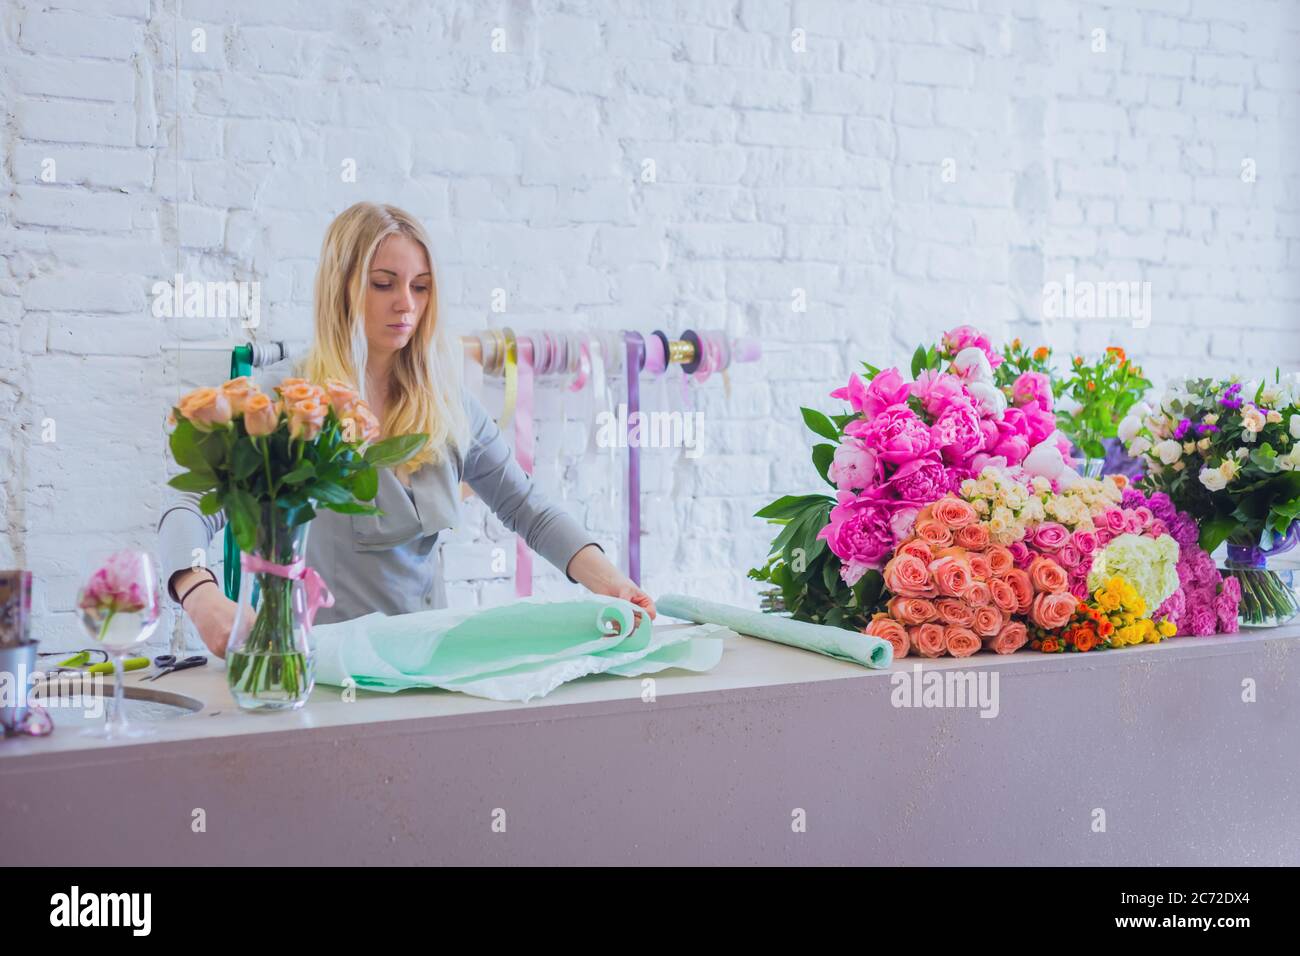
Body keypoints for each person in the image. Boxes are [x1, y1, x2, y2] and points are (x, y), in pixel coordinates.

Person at [158, 201, 655, 657]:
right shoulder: (283, 402)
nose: (406, 304)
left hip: (428, 668)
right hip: (316, 670)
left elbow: (528, 508)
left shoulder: (446, 405)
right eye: (383, 283)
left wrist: (612, 584)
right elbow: (187, 509)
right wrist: (203, 598)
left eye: (420, 286)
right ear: (342, 287)